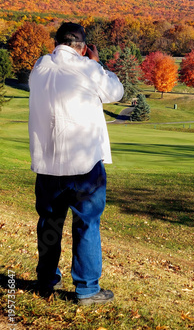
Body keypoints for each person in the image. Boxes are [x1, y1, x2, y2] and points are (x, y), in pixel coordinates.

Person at [28, 22, 124, 305]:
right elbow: (115, 93)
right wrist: (97, 63)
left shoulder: (39, 67)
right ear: (82, 47)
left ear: (55, 43)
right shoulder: (89, 68)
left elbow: (51, 64)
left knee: (49, 223)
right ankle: (86, 288)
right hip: (84, 164)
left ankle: (45, 281)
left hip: (47, 163)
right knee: (87, 223)